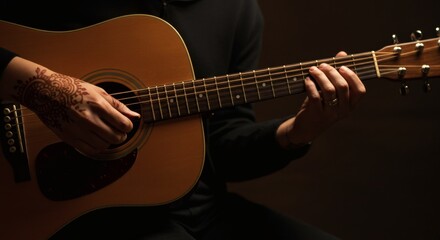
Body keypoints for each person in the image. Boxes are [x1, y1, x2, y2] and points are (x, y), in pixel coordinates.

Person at [0, 0, 366, 239]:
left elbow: (222, 145)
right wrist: (39, 88)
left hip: (205, 211)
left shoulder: (238, 10)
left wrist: (297, 132)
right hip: (93, 216)